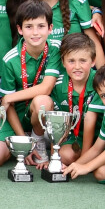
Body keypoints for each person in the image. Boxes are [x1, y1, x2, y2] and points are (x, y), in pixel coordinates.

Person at [0, 0, 61, 147]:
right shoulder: (10, 59)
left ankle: (38, 141)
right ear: (20, 29)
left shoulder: (56, 49)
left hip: (44, 115)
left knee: (42, 102)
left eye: (41, 26)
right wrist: (23, 140)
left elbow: (46, 88)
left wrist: (8, 98)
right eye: (29, 27)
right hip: (18, 116)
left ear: (50, 28)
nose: (35, 32)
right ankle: (28, 139)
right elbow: (9, 107)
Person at [35, 32, 100, 168]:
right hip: (74, 136)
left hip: (99, 136)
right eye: (71, 61)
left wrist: (82, 162)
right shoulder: (58, 85)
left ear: (93, 61)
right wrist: (54, 159)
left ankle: (90, 156)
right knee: (65, 156)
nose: (77, 66)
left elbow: (90, 120)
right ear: (63, 62)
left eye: (83, 60)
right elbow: (55, 123)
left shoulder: (100, 83)